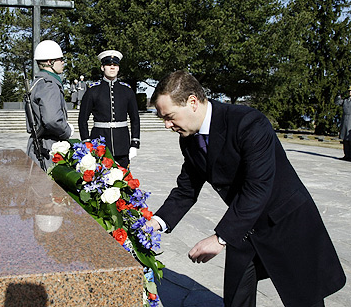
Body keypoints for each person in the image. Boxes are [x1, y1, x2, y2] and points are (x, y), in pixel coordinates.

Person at [145, 70, 346, 307]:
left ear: (192, 102)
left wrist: (220, 238)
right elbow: (186, 189)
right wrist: (155, 222)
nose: (167, 125)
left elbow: (258, 186)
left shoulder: (248, 122)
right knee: (237, 297)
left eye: (169, 116)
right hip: (245, 224)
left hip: (285, 221)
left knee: (304, 299)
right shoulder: (189, 139)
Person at [78, 50, 140, 168]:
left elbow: (135, 118)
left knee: (123, 180)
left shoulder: (126, 90)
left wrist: (134, 143)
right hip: (100, 144)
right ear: (102, 67)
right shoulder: (93, 90)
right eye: (108, 65)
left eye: (115, 65)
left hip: (122, 144)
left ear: (118, 68)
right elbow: (82, 119)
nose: (112, 68)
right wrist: (86, 142)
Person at [26, 40, 74, 170]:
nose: (63, 62)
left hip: (40, 144)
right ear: (49, 62)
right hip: (48, 146)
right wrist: (67, 130)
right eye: (60, 59)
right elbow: (52, 119)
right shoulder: (49, 84)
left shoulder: (39, 81)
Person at [334, 85, 351, 161]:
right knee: (345, 140)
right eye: (349, 91)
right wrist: (338, 95)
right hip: (345, 120)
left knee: (350, 139)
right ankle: (346, 155)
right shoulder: (346, 100)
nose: (350, 92)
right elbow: (337, 102)